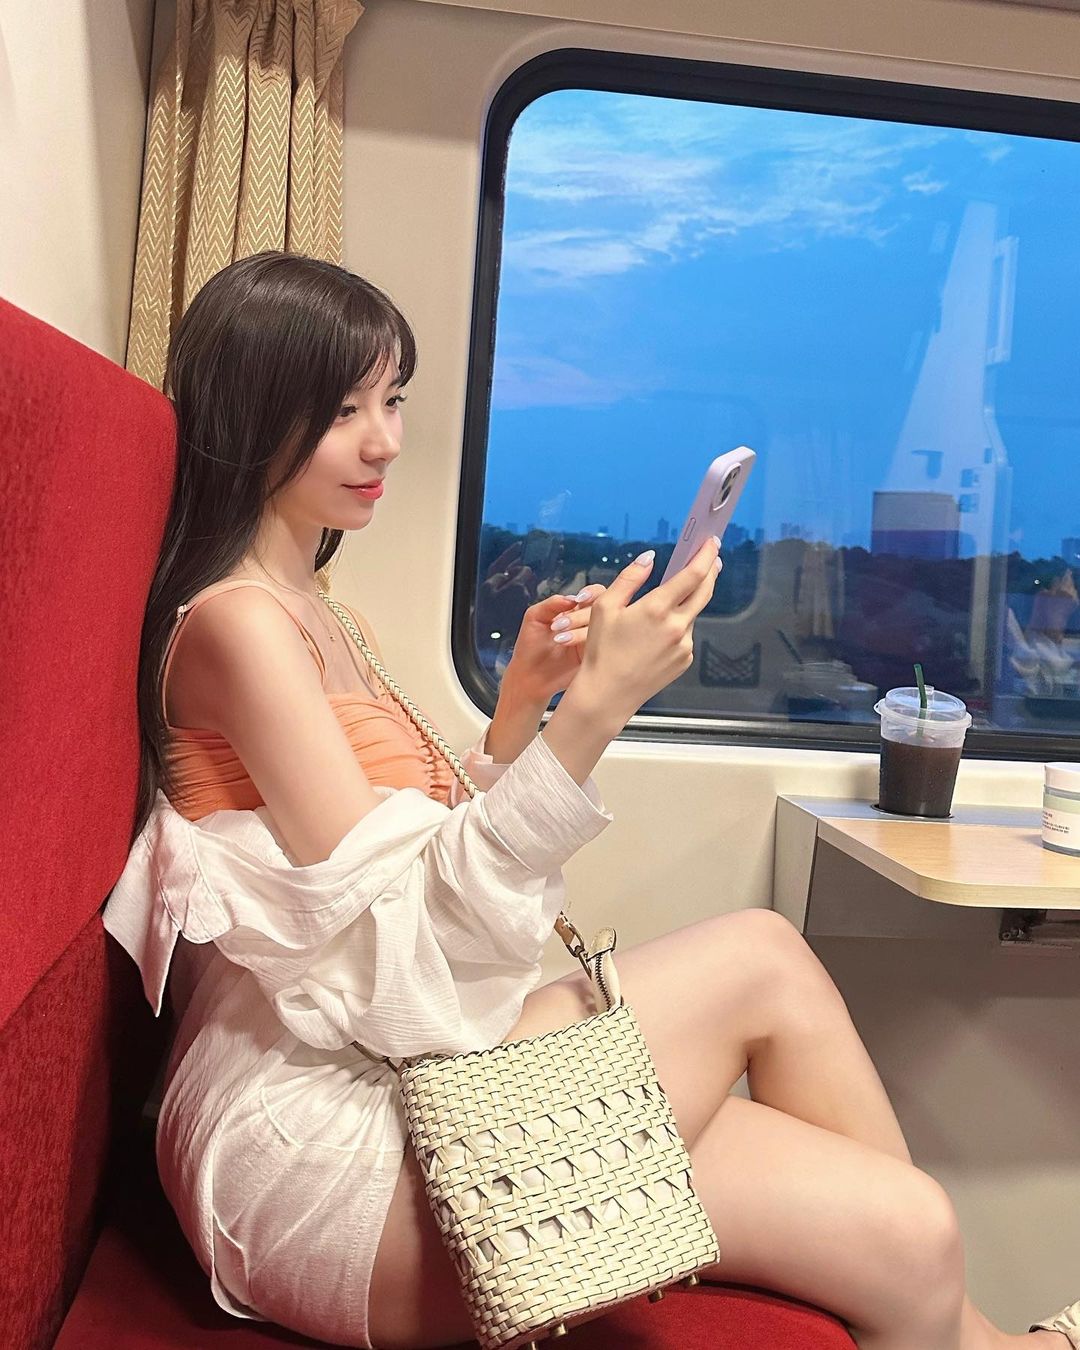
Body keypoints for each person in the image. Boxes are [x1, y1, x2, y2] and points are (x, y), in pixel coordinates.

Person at [104, 251, 1076, 1350]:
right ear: (255, 415)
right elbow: (396, 954)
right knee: (761, 956)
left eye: (392, 401)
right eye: (343, 412)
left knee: (910, 1232)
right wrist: (593, 712)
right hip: (318, 1146)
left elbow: (393, 866)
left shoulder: (321, 610)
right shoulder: (237, 625)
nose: (384, 442)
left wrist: (521, 708)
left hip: (388, 1058)